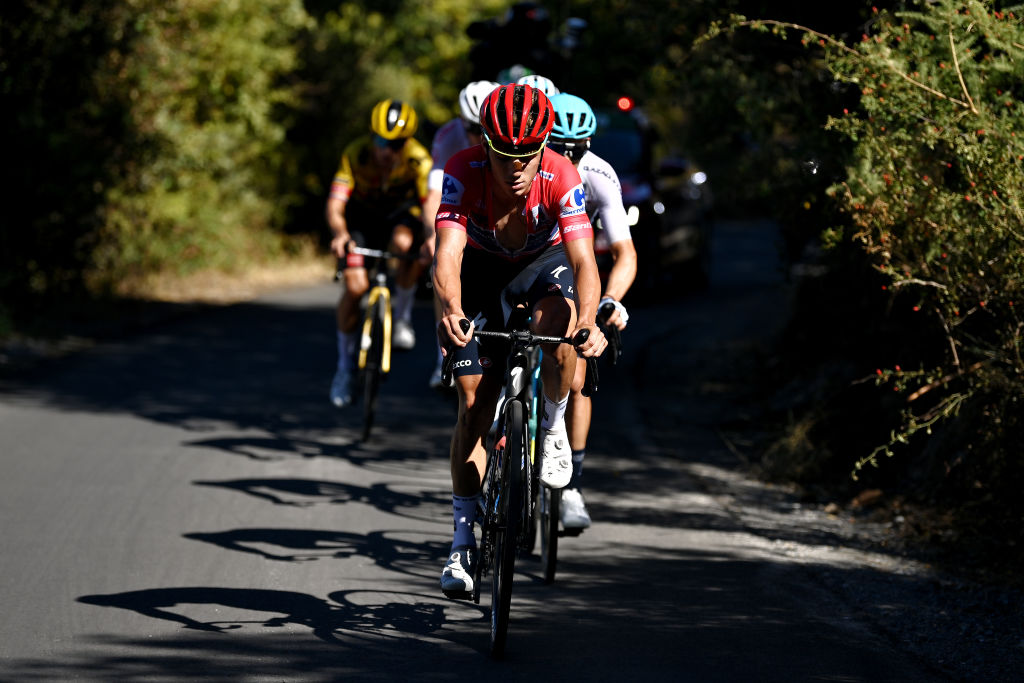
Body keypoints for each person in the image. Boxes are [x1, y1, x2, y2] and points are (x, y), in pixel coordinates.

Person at [433, 83, 608, 596]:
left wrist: (590, 323)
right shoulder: (462, 171)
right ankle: (462, 541)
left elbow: (584, 262)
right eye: (503, 153)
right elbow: (447, 255)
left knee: (558, 320)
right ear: (485, 143)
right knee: (474, 404)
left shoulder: (561, 174)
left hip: (543, 267)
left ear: (542, 148)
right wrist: (450, 310)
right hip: (485, 273)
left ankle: (553, 426)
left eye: (526, 154)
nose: (515, 166)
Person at [547, 93, 637, 530]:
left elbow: (624, 253)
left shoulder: (599, 174)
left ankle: (572, 485)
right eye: (558, 145)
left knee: (579, 375)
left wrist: (611, 299)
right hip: (528, 265)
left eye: (576, 147)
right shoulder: (527, 169)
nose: (567, 156)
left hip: (575, 269)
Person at [326, 99, 432, 407]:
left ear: (407, 142)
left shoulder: (418, 160)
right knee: (355, 287)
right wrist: (340, 234)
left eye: (396, 144)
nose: (387, 150)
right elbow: (335, 204)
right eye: (381, 141)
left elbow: (429, 207)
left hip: (401, 218)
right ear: (371, 136)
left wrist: (431, 238)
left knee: (404, 245)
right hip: (362, 220)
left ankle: (401, 318)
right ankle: (344, 369)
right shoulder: (355, 154)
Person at [421, 80, 499, 389]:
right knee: (440, 266)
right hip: (464, 204)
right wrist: (432, 235)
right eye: (469, 127)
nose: (474, 135)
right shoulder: (448, 136)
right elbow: (433, 195)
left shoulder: (501, 135)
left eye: (481, 128)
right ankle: (443, 355)